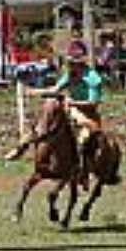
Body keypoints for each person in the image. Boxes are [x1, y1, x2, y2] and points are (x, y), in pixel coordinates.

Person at [10, 45, 103, 191]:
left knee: (84, 139)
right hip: (69, 110)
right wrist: (34, 91)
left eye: (74, 63)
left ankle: (83, 172)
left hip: (87, 115)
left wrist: (72, 102)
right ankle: (21, 148)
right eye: (70, 63)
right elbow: (55, 89)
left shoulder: (93, 78)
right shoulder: (69, 74)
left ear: (81, 63)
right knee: (43, 126)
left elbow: (94, 102)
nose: (71, 66)